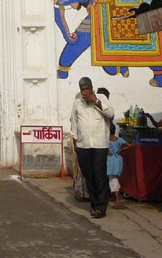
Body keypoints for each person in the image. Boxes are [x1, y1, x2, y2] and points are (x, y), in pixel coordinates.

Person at [69, 76, 115, 219]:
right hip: (83, 145)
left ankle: (101, 207)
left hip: (99, 144)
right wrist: (76, 143)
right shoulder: (77, 103)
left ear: (92, 87)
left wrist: (95, 101)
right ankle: (95, 204)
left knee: (99, 175)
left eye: (87, 89)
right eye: (83, 89)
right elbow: (74, 124)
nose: (85, 92)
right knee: (89, 176)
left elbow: (111, 114)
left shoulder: (101, 99)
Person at [108, 125, 130, 209]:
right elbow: (130, 145)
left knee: (112, 179)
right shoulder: (119, 139)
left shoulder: (106, 140)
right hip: (118, 160)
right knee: (115, 178)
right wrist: (121, 150)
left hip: (110, 160)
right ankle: (116, 196)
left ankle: (117, 198)